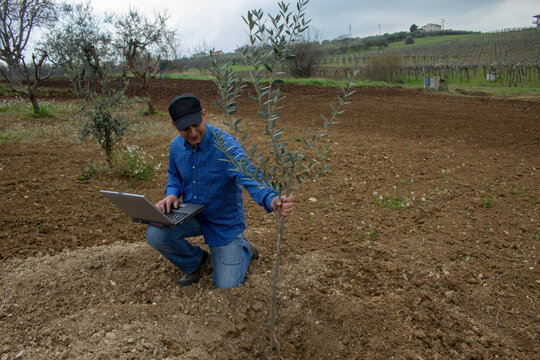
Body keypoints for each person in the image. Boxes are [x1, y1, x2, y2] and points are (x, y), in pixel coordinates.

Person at [146, 93, 294, 289]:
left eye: (195, 124)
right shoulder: (176, 147)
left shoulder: (225, 145)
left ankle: (243, 249)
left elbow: (249, 174)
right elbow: (174, 175)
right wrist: (172, 193)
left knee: (225, 285)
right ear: (174, 126)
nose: (192, 133)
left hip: (223, 222)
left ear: (204, 115)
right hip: (193, 214)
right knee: (156, 233)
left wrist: (271, 199)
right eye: (185, 128)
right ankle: (195, 262)